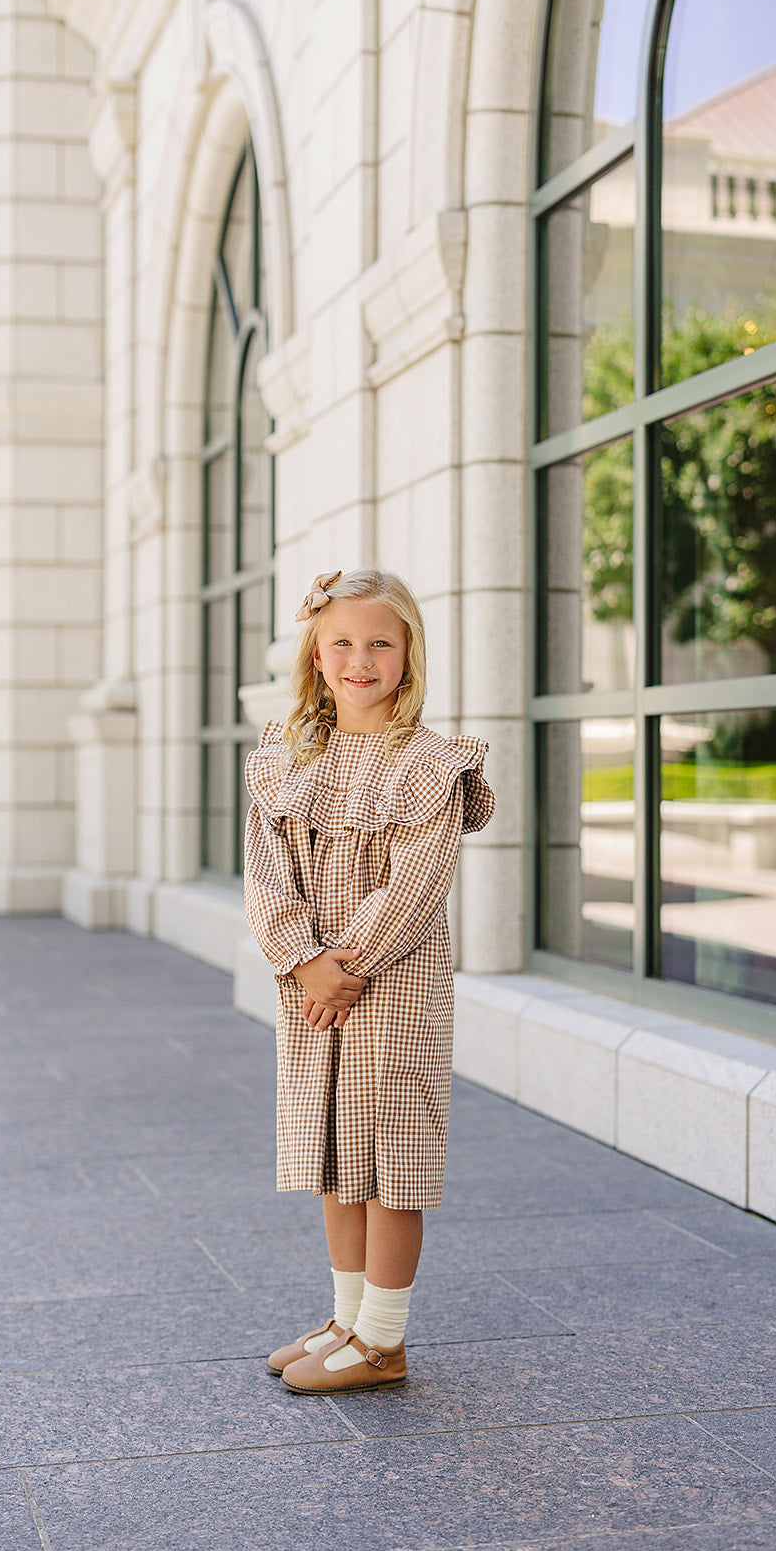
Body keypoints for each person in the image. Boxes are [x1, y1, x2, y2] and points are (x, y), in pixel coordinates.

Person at [243, 566, 494, 1393]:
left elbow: (416, 883)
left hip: (392, 985)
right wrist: (303, 961)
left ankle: (383, 1339)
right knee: (331, 1149)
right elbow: (265, 873)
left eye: (380, 642)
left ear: (408, 654)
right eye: (342, 642)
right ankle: (347, 1318)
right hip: (311, 985)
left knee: (389, 1154)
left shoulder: (429, 763)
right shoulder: (284, 761)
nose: (360, 658)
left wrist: (342, 966)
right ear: (315, 655)